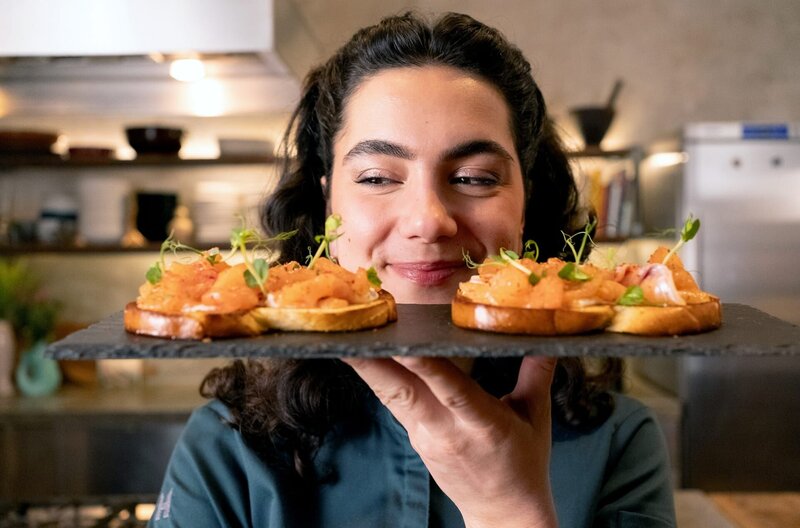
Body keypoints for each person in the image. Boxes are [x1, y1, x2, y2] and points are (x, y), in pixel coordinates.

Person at [149, 12, 675, 528]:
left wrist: (510, 512)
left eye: (473, 177)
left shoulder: (618, 439)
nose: (429, 221)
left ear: (526, 199)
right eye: (377, 177)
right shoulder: (227, 444)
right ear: (327, 196)